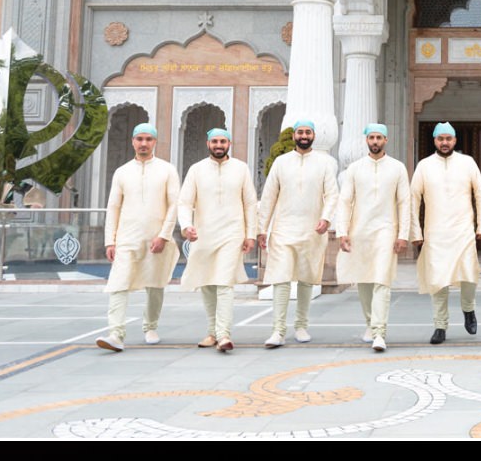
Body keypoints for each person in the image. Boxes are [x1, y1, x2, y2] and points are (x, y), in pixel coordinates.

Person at [97, 122, 179, 352]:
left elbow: (174, 205)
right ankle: (116, 333)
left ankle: (150, 326)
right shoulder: (122, 172)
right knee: (118, 283)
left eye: (148, 139)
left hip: (156, 238)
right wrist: (110, 240)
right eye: (139, 139)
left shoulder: (167, 170)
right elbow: (113, 207)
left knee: (155, 283)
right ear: (133, 141)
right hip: (127, 237)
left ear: (155, 142)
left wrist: (164, 235)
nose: (143, 143)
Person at [257, 120, 339, 349]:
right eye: (300, 132)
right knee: (280, 278)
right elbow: (269, 195)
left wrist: (326, 218)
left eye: (308, 132)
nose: (304, 135)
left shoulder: (323, 164)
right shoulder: (282, 163)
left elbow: (332, 194)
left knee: (306, 278)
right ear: (294, 136)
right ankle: (278, 330)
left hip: (312, 230)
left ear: (313, 135)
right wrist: (262, 228)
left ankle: (301, 325)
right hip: (283, 229)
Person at [178, 127, 257, 354]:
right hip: (204, 233)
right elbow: (184, 202)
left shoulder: (241, 169)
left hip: (232, 233)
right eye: (215, 142)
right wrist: (186, 225)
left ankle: (223, 334)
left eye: (223, 141)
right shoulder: (196, 170)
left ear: (229, 144)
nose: (219, 145)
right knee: (207, 282)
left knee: (224, 283)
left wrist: (250, 233)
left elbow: (250, 203)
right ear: (208, 144)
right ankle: (212, 331)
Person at [410, 122, 481, 344]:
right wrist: (415, 231)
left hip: (463, 229)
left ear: (455, 141)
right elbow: (413, 199)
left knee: (469, 274)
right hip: (435, 233)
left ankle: (468, 309)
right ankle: (440, 325)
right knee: (438, 280)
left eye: (448, 139)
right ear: (435, 141)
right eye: (440, 139)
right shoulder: (424, 166)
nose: (445, 142)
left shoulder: (467, 163)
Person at [336, 124, 411, 353]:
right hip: (360, 231)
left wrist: (403, 235)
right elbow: (345, 200)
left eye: (379, 137)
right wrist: (342, 231)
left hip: (386, 231)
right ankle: (370, 323)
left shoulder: (398, 168)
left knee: (382, 280)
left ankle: (380, 332)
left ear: (386, 140)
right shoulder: (355, 169)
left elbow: (404, 202)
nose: (375, 141)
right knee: (365, 280)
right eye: (371, 137)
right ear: (366, 140)